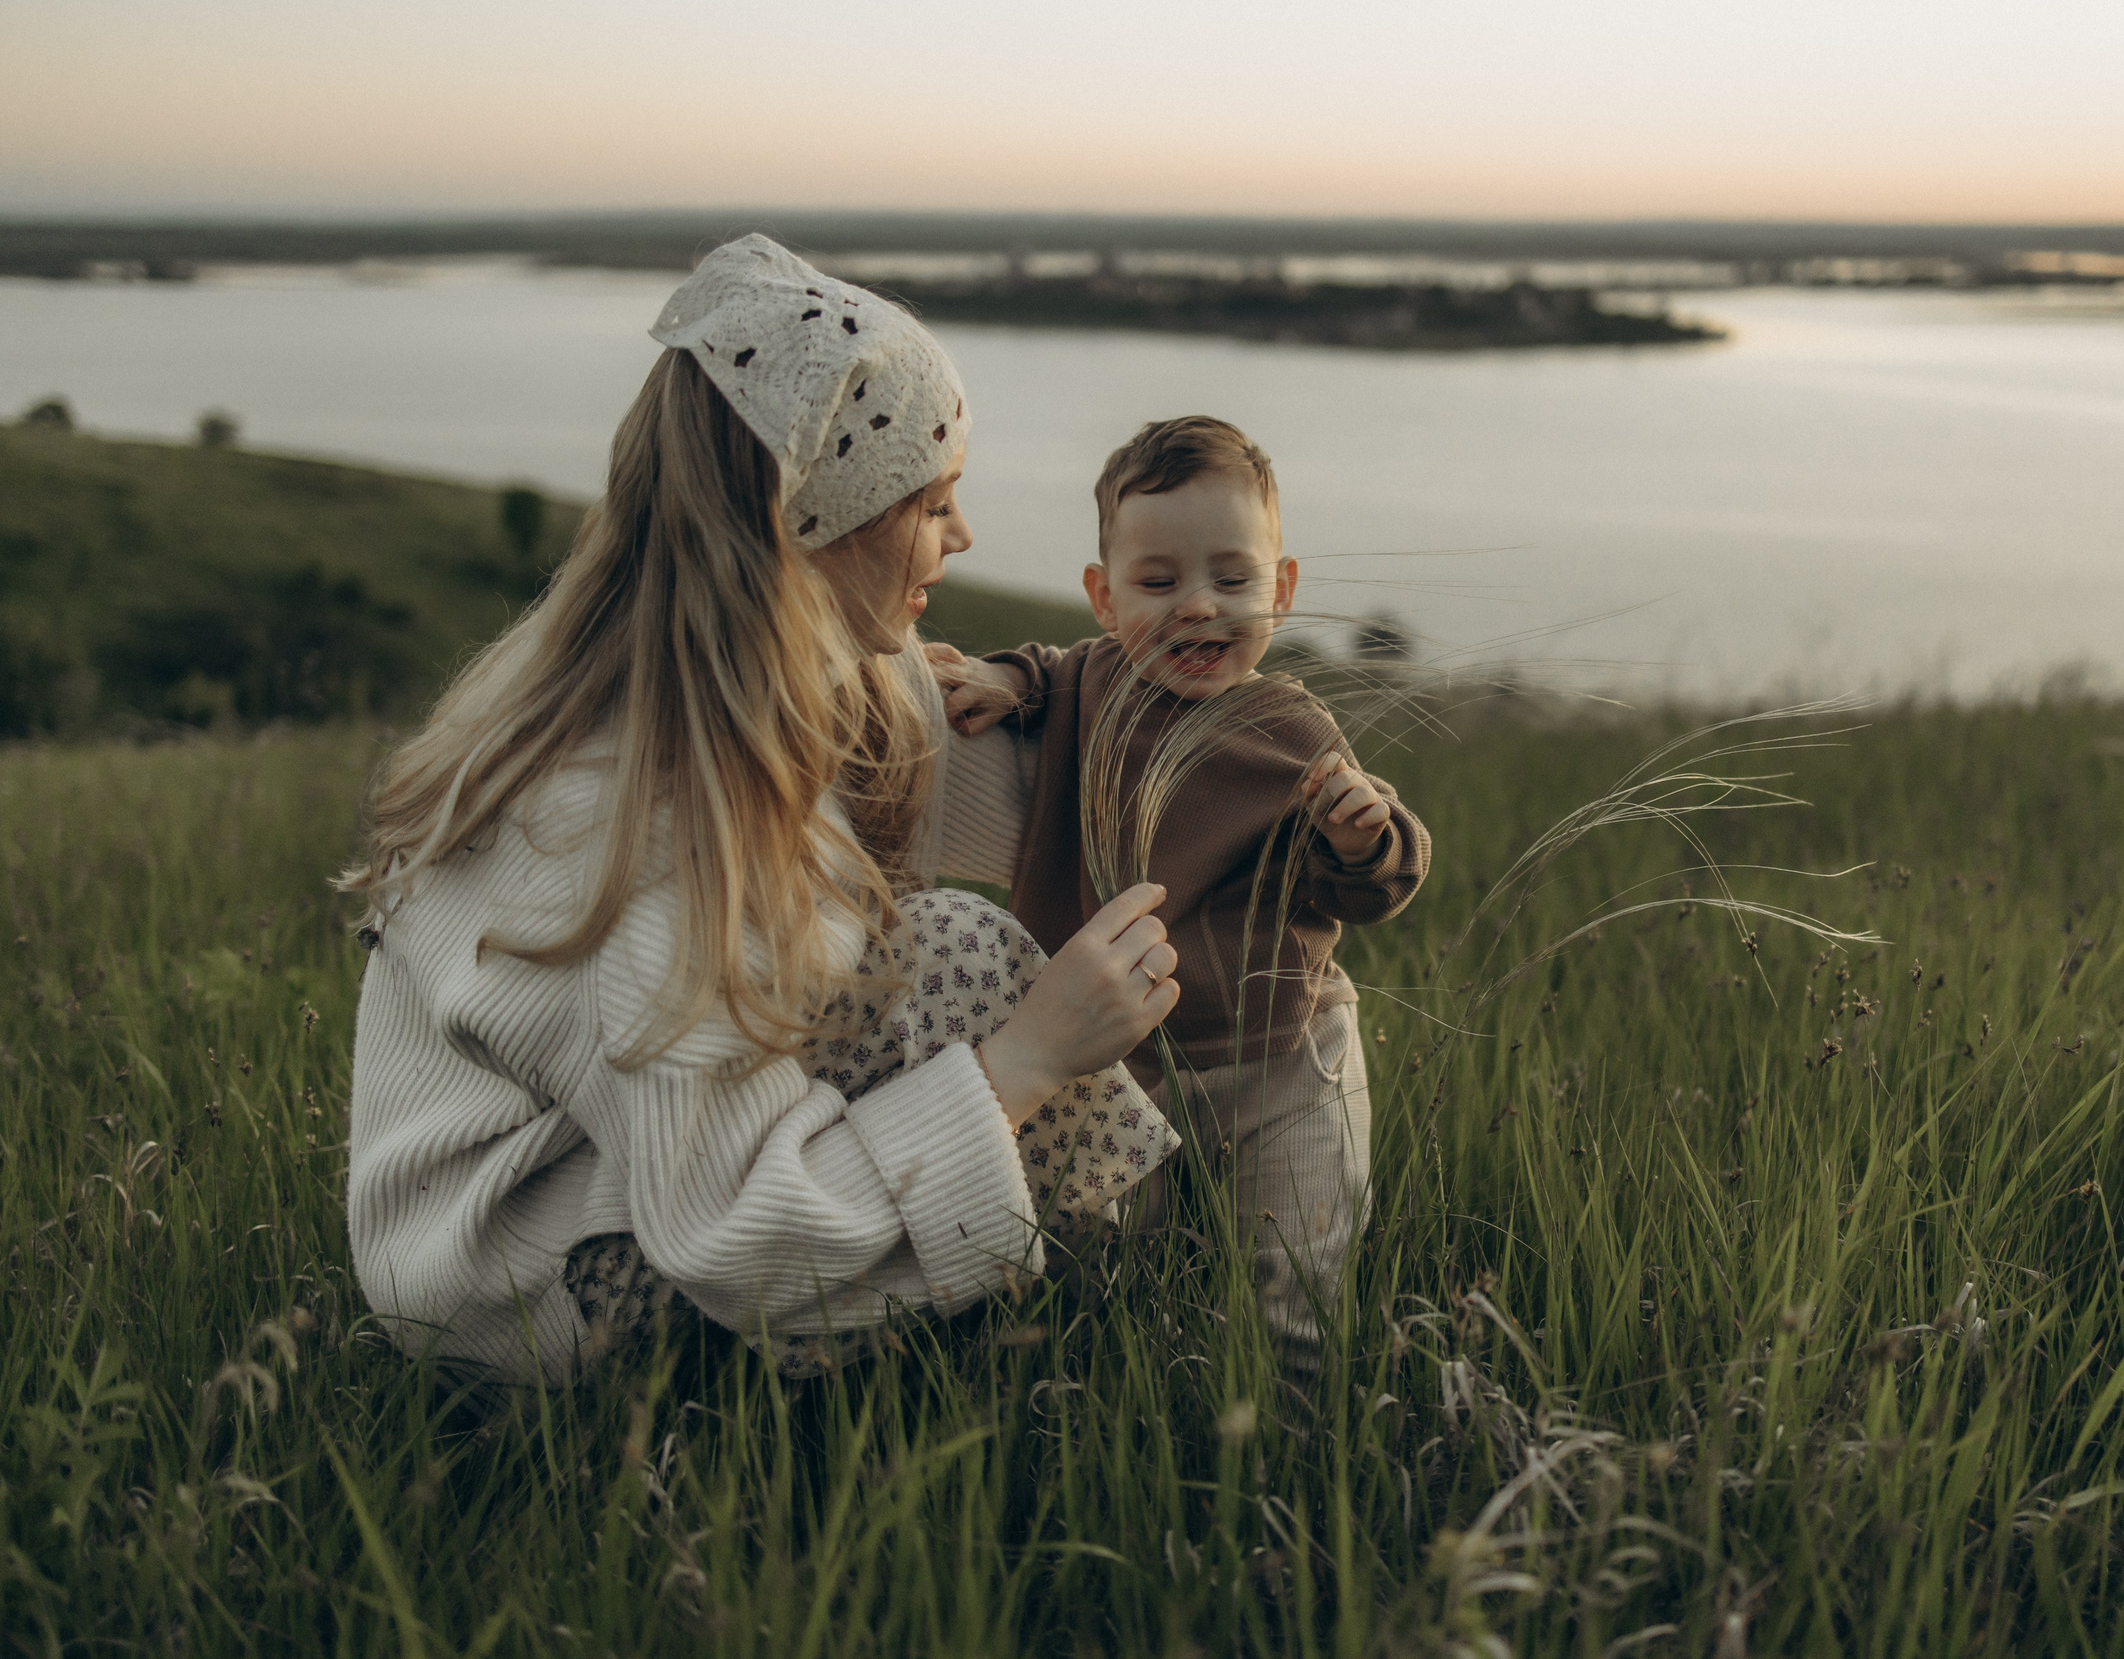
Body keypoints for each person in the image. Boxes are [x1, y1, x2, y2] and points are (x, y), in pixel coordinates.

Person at [338, 237, 1184, 1387]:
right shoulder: (650, 819)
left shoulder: (678, 685)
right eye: (932, 503)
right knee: (965, 966)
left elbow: (988, 811)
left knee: (931, 953)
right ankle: (1089, 1348)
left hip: (559, 1224)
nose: (964, 536)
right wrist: (1030, 1062)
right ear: (810, 529)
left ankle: (1099, 1310)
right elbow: (737, 1235)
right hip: (525, 1309)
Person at [930, 415, 1430, 1378]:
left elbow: (1368, 888)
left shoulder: (1291, 727)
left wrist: (1364, 838)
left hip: (1282, 1050)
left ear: (1279, 592)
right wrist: (1004, 678)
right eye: (1158, 583)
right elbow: (1048, 668)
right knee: (1086, 1278)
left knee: (1296, 1274)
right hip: (1111, 1058)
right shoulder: (1085, 685)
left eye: (1232, 580)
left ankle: (1288, 1435)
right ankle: (1110, 1416)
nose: (1197, 607)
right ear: (1105, 597)